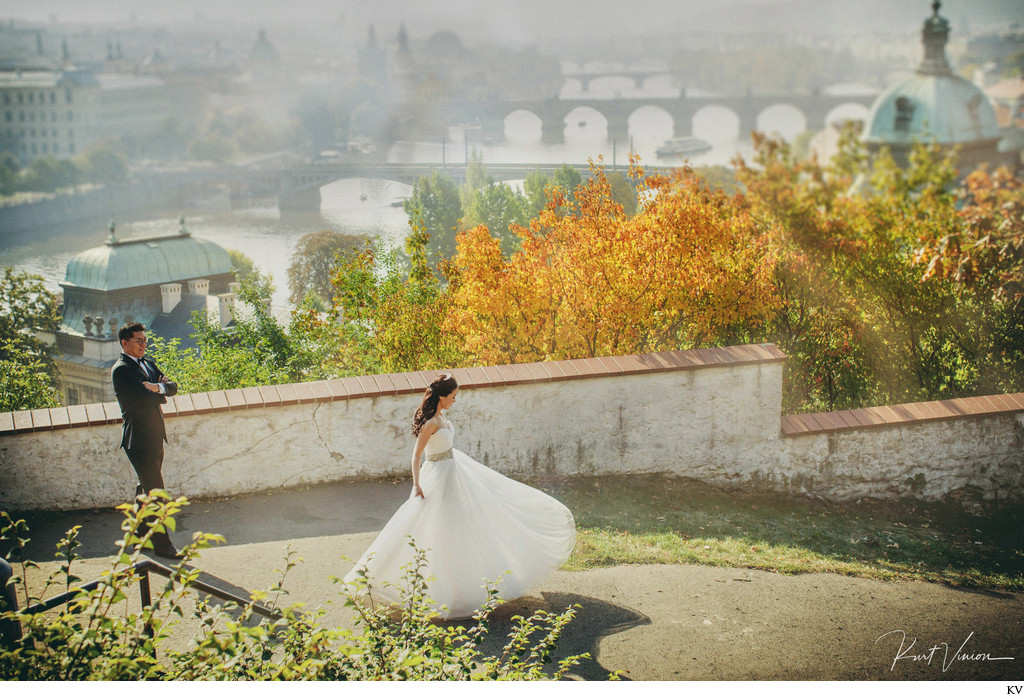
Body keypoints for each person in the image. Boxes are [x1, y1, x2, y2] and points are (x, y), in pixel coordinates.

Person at [344, 374, 576, 619]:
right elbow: (415, 456)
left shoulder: (442, 416)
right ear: (442, 397)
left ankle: (464, 587)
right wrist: (416, 485)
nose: (455, 401)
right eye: (453, 397)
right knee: (428, 529)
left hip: (455, 473)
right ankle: (383, 578)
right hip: (438, 477)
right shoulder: (431, 423)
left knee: (462, 530)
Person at [111, 321, 181, 559]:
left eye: (145, 340)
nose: (143, 345)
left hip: (156, 436)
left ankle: (140, 538)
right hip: (138, 440)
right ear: (124, 343)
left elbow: (174, 387)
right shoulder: (121, 370)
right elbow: (142, 400)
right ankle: (162, 544)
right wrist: (159, 390)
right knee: (156, 491)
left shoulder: (148, 364)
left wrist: (157, 387)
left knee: (147, 488)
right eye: (138, 341)